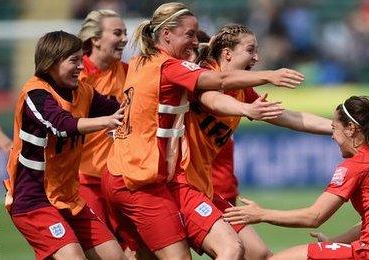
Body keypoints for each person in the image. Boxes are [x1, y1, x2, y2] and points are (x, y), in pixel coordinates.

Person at [102, 2, 304, 259]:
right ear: (166, 34)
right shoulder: (171, 68)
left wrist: (333, 126)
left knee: (145, 254)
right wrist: (268, 77)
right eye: (189, 35)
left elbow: (283, 115)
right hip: (143, 179)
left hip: (129, 173)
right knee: (222, 250)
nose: (194, 42)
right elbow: (215, 87)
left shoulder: (141, 61)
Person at [171, 23, 332, 259]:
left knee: (258, 254)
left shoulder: (242, 90)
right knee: (231, 249)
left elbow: (288, 117)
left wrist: (339, 128)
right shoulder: (203, 76)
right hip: (179, 184)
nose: (256, 56)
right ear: (227, 53)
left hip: (202, 187)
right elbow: (212, 100)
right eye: (250, 50)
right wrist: (246, 109)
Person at [224, 95, 369, 259]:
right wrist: (334, 243)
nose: (332, 136)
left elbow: (314, 217)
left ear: (350, 129)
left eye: (334, 128)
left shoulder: (359, 164)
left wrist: (261, 214)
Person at [4, 30, 126, 260]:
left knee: (115, 257)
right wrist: (107, 122)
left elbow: (119, 108)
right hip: (33, 200)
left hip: (69, 198)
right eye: (74, 60)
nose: (81, 66)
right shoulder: (35, 93)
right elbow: (61, 125)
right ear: (52, 61)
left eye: (81, 59)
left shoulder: (83, 92)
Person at [77, 9, 151, 259]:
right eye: (117, 33)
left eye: (125, 34)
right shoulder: (75, 77)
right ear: (95, 39)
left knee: (142, 248)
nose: (123, 39)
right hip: (85, 179)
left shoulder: (130, 73)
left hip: (121, 179)